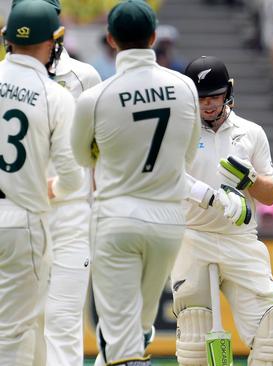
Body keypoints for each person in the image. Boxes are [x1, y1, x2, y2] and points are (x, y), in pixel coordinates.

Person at [70, 1, 204, 364]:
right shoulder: (186, 88)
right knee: (138, 328)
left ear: (111, 40)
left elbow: (82, 158)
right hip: (167, 223)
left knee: (118, 333)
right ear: (154, 37)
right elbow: (188, 155)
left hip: (117, 219)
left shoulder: (94, 98)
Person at [172, 56, 273, 366]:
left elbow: (270, 195)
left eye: (214, 96)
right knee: (196, 344)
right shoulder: (178, 130)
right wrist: (210, 197)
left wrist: (250, 179)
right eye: (201, 98)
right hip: (193, 237)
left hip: (240, 239)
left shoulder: (251, 132)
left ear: (228, 92)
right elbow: (167, 178)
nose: (208, 104)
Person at [9, 1, 101, 364]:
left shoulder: (83, 77)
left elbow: (96, 156)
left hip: (67, 216)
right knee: (23, 327)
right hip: (22, 212)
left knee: (61, 324)